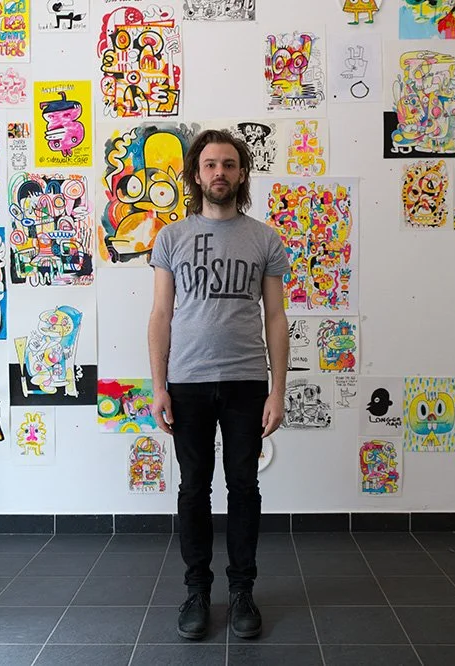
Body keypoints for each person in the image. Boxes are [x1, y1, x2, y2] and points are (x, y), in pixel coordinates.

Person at [148, 129, 289, 641]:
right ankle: (197, 592)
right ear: (196, 173)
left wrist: (278, 390)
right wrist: (158, 386)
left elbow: (276, 317)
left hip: (247, 381)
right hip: (187, 382)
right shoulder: (171, 238)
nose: (219, 173)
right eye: (210, 164)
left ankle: (243, 590)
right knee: (193, 489)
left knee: (244, 487)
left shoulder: (265, 239)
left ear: (242, 173)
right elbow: (161, 314)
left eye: (229, 164)